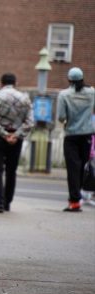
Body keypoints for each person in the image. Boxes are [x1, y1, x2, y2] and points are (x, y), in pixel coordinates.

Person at [0, 73, 34, 213]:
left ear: (1, 83)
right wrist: (15, 135)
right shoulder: (24, 98)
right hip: (16, 139)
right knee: (11, 171)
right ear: (15, 82)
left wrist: (4, 135)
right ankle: (7, 203)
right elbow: (30, 122)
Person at [57, 67, 95, 212]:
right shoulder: (92, 92)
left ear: (69, 80)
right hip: (87, 135)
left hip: (71, 135)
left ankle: (74, 201)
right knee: (81, 167)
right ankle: (76, 198)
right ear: (82, 78)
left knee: (73, 168)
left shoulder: (64, 95)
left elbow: (61, 117)